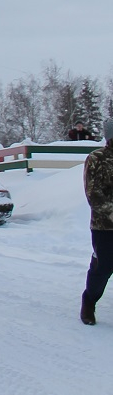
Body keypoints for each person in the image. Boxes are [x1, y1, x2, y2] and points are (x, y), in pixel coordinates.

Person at [81, 119, 113, 325]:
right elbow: (93, 194)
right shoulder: (97, 158)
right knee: (104, 267)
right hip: (105, 226)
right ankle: (89, 302)